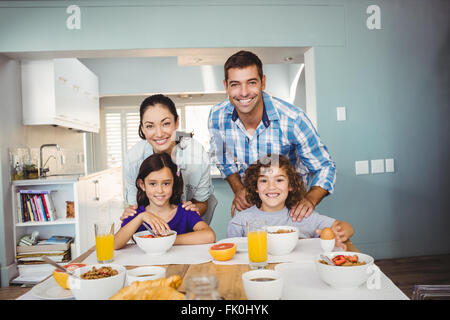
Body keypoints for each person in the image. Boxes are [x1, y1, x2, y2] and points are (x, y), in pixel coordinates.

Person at [208, 50, 336, 222]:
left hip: (291, 212)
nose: (244, 92)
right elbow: (223, 159)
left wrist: (310, 199)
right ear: (226, 86)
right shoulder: (217, 116)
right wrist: (238, 189)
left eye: (251, 82)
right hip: (251, 209)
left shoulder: (293, 119)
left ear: (263, 82)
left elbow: (325, 166)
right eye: (235, 84)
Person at [122, 94, 217, 224]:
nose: (159, 133)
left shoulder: (197, 156)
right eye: (150, 126)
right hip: (151, 227)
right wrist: (132, 214)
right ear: (142, 128)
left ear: (177, 122)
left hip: (187, 226)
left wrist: (188, 213)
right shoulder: (133, 160)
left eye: (166, 123)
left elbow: (202, 202)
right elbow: (134, 206)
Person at [226, 154, 353, 250]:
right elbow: (232, 256)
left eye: (279, 180)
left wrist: (339, 234)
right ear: (255, 187)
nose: (271, 186)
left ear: (290, 185)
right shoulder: (240, 222)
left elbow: (346, 227)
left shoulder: (302, 215)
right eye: (264, 181)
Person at [115, 152, 216, 249]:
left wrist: (166, 240)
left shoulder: (185, 211)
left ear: (174, 184)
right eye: (153, 184)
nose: (160, 190)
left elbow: (209, 236)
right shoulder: (137, 215)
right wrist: (141, 217)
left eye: (166, 183)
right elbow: (114, 244)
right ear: (142, 185)